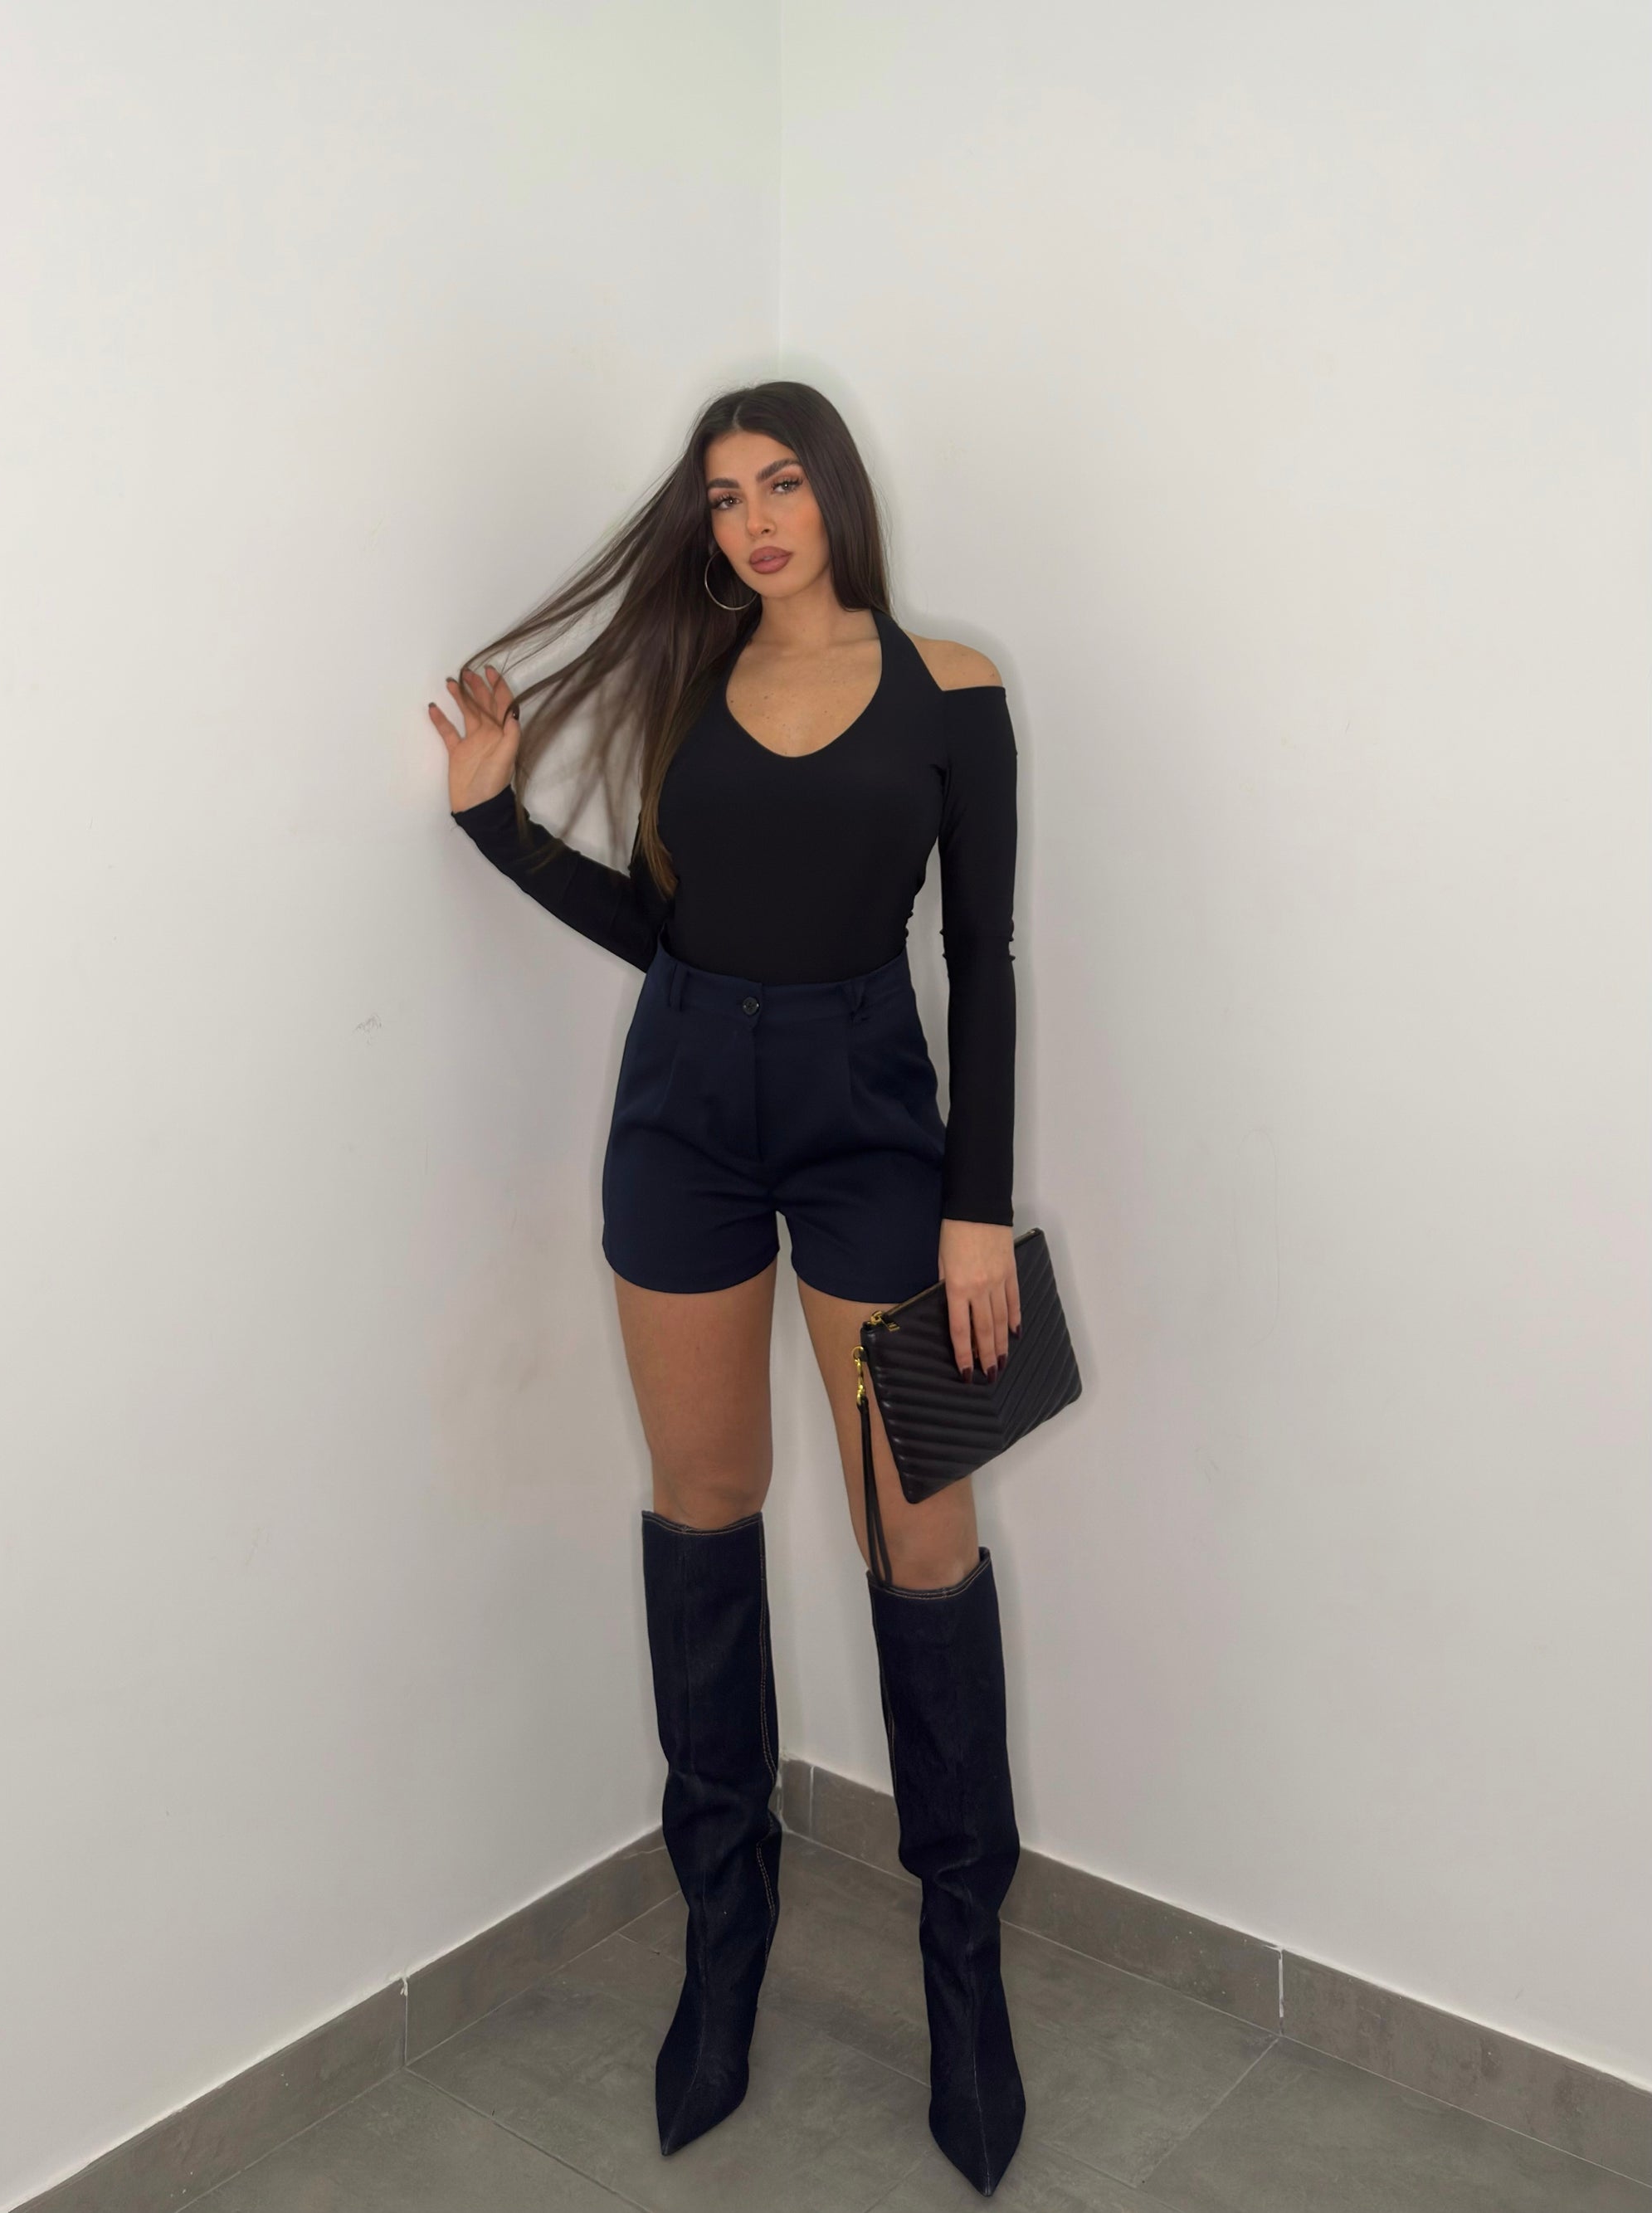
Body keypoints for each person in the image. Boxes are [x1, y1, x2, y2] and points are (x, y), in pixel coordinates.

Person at [427, 380, 1026, 2197]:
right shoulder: (692, 686)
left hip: (875, 1127)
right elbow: (668, 932)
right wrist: (498, 827)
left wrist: (976, 1211)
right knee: (702, 1508)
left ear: (834, 492)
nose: (756, 520)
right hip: (681, 1111)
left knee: (923, 1530)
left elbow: (980, 952)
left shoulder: (953, 688)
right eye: (724, 498)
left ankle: (965, 1972)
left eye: (781, 484)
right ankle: (724, 1942)